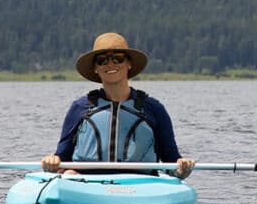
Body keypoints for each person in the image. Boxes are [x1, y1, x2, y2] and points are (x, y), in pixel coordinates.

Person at [41, 32, 195, 179]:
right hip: (85, 183)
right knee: (69, 174)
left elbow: (172, 161)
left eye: (118, 58)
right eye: (102, 60)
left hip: (141, 183)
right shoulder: (80, 107)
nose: (110, 63)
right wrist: (53, 161)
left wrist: (181, 169)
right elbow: (62, 156)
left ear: (128, 63)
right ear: (96, 68)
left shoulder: (154, 109)